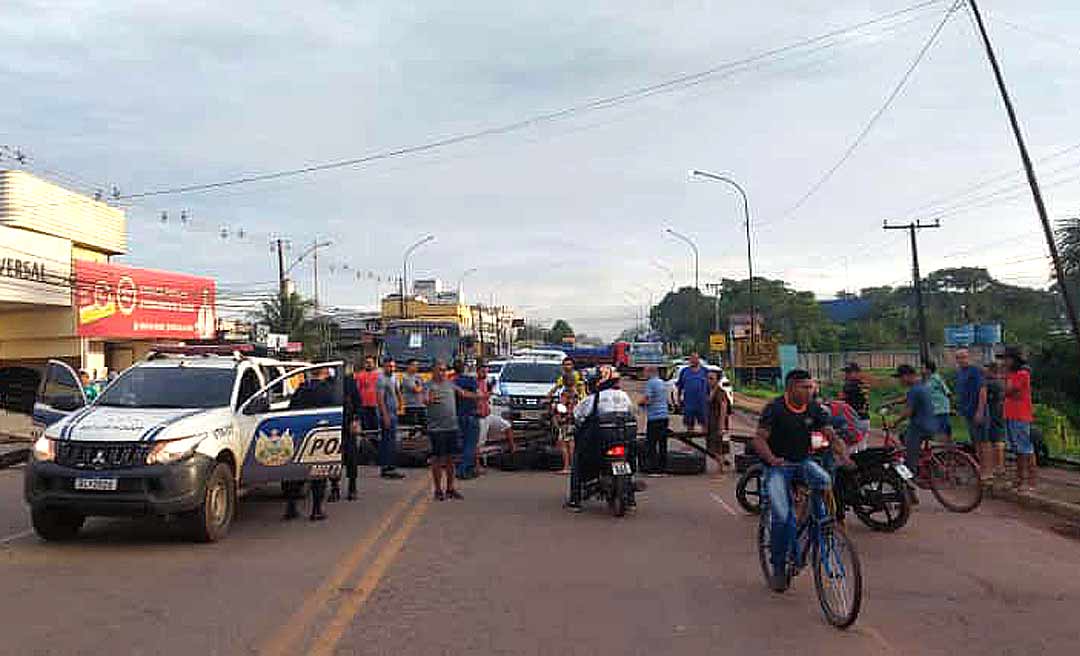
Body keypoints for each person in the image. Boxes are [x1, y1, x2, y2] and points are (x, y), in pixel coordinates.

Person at [750, 369, 844, 592]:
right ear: (790, 388)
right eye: (804, 387)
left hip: (803, 463)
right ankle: (779, 566)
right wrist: (773, 460)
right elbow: (758, 440)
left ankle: (821, 519)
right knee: (782, 518)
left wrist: (842, 452)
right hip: (777, 466)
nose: (809, 391)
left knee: (824, 480)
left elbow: (829, 433)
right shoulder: (774, 409)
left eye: (811, 387)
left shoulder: (814, 408)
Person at [566, 366, 635, 512]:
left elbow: (577, 415)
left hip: (600, 442)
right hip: (624, 438)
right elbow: (631, 411)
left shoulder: (592, 399)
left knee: (578, 461)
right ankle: (631, 500)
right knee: (630, 459)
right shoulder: (624, 395)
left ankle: (575, 500)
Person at [285, 366, 338, 521]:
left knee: (295, 471)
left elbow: (291, 409)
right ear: (325, 372)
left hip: (299, 432)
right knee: (319, 472)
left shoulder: (301, 389)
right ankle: (316, 510)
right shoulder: (329, 390)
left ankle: (291, 507)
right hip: (321, 434)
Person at [893, 364, 938, 488]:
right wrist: (892, 403)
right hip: (931, 424)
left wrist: (895, 423)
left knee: (908, 459)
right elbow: (908, 398)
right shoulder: (921, 387)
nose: (900, 381)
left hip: (919, 427)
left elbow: (908, 412)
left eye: (900, 378)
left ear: (907, 376)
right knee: (903, 436)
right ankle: (919, 461)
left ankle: (910, 481)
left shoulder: (914, 390)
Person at [998, 347, 1035, 491]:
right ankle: (1019, 478)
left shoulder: (1022, 374)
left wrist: (1005, 379)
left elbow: (1009, 391)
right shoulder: (1011, 374)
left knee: (1025, 448)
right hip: (1009, 413)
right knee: (1016, 449)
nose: (1004, 362)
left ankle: (1030, 480)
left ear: (1014, 360)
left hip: (1020, 415)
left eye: (1007, 359)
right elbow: (1006, 392)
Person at [425, 360, 463, 501]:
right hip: (437, 428)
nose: (442, 372)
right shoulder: (428, 385)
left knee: (451, 459)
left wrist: (481, 396)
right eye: (439, 370)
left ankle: (450, 488)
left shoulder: (450, 384)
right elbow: (425, 398)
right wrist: (429, 400)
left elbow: (463, 393)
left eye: (444, 370)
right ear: (433, 371)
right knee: (437, 459)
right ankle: (438, 490)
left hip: (451, 427)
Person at [954, 348, 989, 463]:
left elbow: (982, 390)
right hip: (967, 411)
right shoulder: (959, 372)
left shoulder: (975, 371)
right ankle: (979, 464)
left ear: (968, 357)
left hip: (977, 410)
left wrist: (980, 411)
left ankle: (986, 466)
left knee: (982, 440)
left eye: (963, 357)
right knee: (974, 439)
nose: (961, 360)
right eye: (958, 358)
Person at [453, 361, 485, 480]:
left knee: (462, 443)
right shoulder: (470, 381)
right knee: (470, 444)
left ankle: (465, 468)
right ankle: (463, 469)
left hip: (457, 415)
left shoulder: (453, 381)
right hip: (471, 415)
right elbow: (480, 395)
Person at [376, 358, 406, 480]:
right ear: (384, 366)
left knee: (392, 440)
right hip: (387, 413)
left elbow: (397, 391)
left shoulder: (394, 377)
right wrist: (385, 416)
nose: (391, 369)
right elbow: (380, 399)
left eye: (393, 366)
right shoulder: (381, 379)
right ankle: (387, 468)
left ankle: (390, 466)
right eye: (389, 366)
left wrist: (401, 403)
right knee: (387, 441)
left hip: (394, 413)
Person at [638, 365, 669, 476]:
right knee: (662, 443)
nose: (643, 374)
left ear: (650, 372)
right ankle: (663, 468)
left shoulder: (650, 383)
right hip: (664, 415)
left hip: (654, 417)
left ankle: (653, 469)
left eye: (645, 372)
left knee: (651, 443)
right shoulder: (662, 383)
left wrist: (639, 403)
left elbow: (647, 399)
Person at [982, 361, 1007, 482]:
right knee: (999, 438)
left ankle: (999, 466)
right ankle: (1000, 465)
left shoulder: (990, 383)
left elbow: (983, 397)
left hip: (994, 412)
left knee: (996, 440)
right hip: (1001, 410)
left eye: (986, 369)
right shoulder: (1001, 382)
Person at [676, 352, 709, 433]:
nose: (694, 360)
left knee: (705, 425)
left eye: (695, 358)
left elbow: (711, 387)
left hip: (702, 404)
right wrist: (678, 400)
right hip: (688, 404)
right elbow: (679, 387)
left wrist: (710, 399)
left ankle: (707, 443)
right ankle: (690, 444)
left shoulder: (705, 371)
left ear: (699, 360)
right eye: (692, 358)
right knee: (689, 426)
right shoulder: (684, 371)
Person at [706, 370, 732, 468]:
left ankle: (721, 467)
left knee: (718, 446)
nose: (709, 381)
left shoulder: (720, 392)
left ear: (717, 380)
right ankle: (722, 463)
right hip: (712, 422)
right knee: (713, 445)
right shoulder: (710, 391)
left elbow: (724, 407)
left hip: (718, 422)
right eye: (708, 378)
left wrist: (721, 425)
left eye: (711, 378)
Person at [840, 363, 870, 439]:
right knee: (862, 447)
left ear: (857, 373)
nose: (846, 375)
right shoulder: (863, 383)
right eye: (846, 372)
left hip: (854, 420)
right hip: (865, 418)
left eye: (849, 372)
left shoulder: (850, 385)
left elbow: (841, 400)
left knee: (850, 448)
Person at [924, 360, 952, 439]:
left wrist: (949, 406)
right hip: (935, 410)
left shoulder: (937, 378)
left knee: (943, 432)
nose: (922, 370)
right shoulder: (929, 380)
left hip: (941, 409)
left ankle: (945, 448)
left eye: (923, 368)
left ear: (928, 369)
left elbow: (947, 392)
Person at [354, 356, 380, 435]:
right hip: (363, 405)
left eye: (370, 363)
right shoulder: (359, 375)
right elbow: (357, 389)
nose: (368, 364)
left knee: (376, 426)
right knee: (365, 427)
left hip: (376, 405)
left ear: (374, 364)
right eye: (367, 363)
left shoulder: (379, 375)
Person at [400, 359, 427, 428]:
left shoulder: (418, 376)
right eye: (414, 365)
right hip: (411, 406)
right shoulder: (406, 378)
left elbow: (425, 388)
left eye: (417, 365)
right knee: (412, 427)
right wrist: (423, 386)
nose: (416, 367)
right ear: (409, 366)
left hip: (421, 405)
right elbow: (416, 389)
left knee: (424, 426)